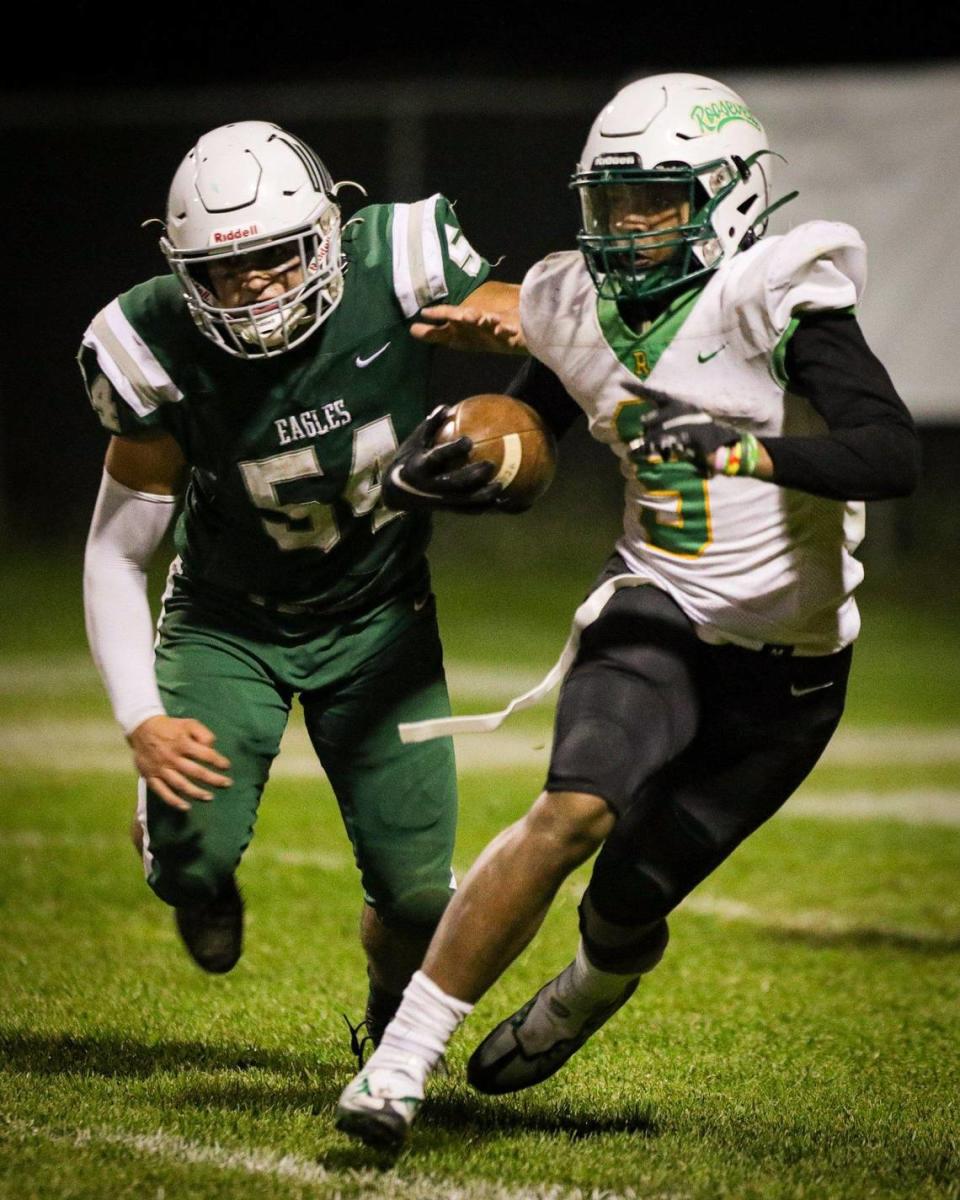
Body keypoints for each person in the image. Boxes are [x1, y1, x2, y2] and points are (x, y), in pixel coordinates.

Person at [335, 72, 921, 1148]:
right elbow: (536, 418)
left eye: (656, 200)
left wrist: (746, 450)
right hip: (654, 608)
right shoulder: (578, 300)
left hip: (789, 669)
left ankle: (591, 990)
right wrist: (465, 454)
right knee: (573, 812)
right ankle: (399, 1064)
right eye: (610, 204)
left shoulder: (779, 293)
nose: (630, 227)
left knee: (627, 903)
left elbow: (890, 451)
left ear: (731, 197)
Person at [80, 120, 522, 1050]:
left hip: (379, 621)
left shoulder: (395, 266)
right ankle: (185, 865)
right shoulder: (155, 343)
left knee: (413, 895)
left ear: (327, 230)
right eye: (225, 270)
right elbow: (118, 551)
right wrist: (140, 719)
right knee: (186, 868)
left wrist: (533, 400)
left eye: (281, 257)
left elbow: (534, 322)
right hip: (228, 625)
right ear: (181, 268)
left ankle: (385, 1014)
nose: (257, 288)